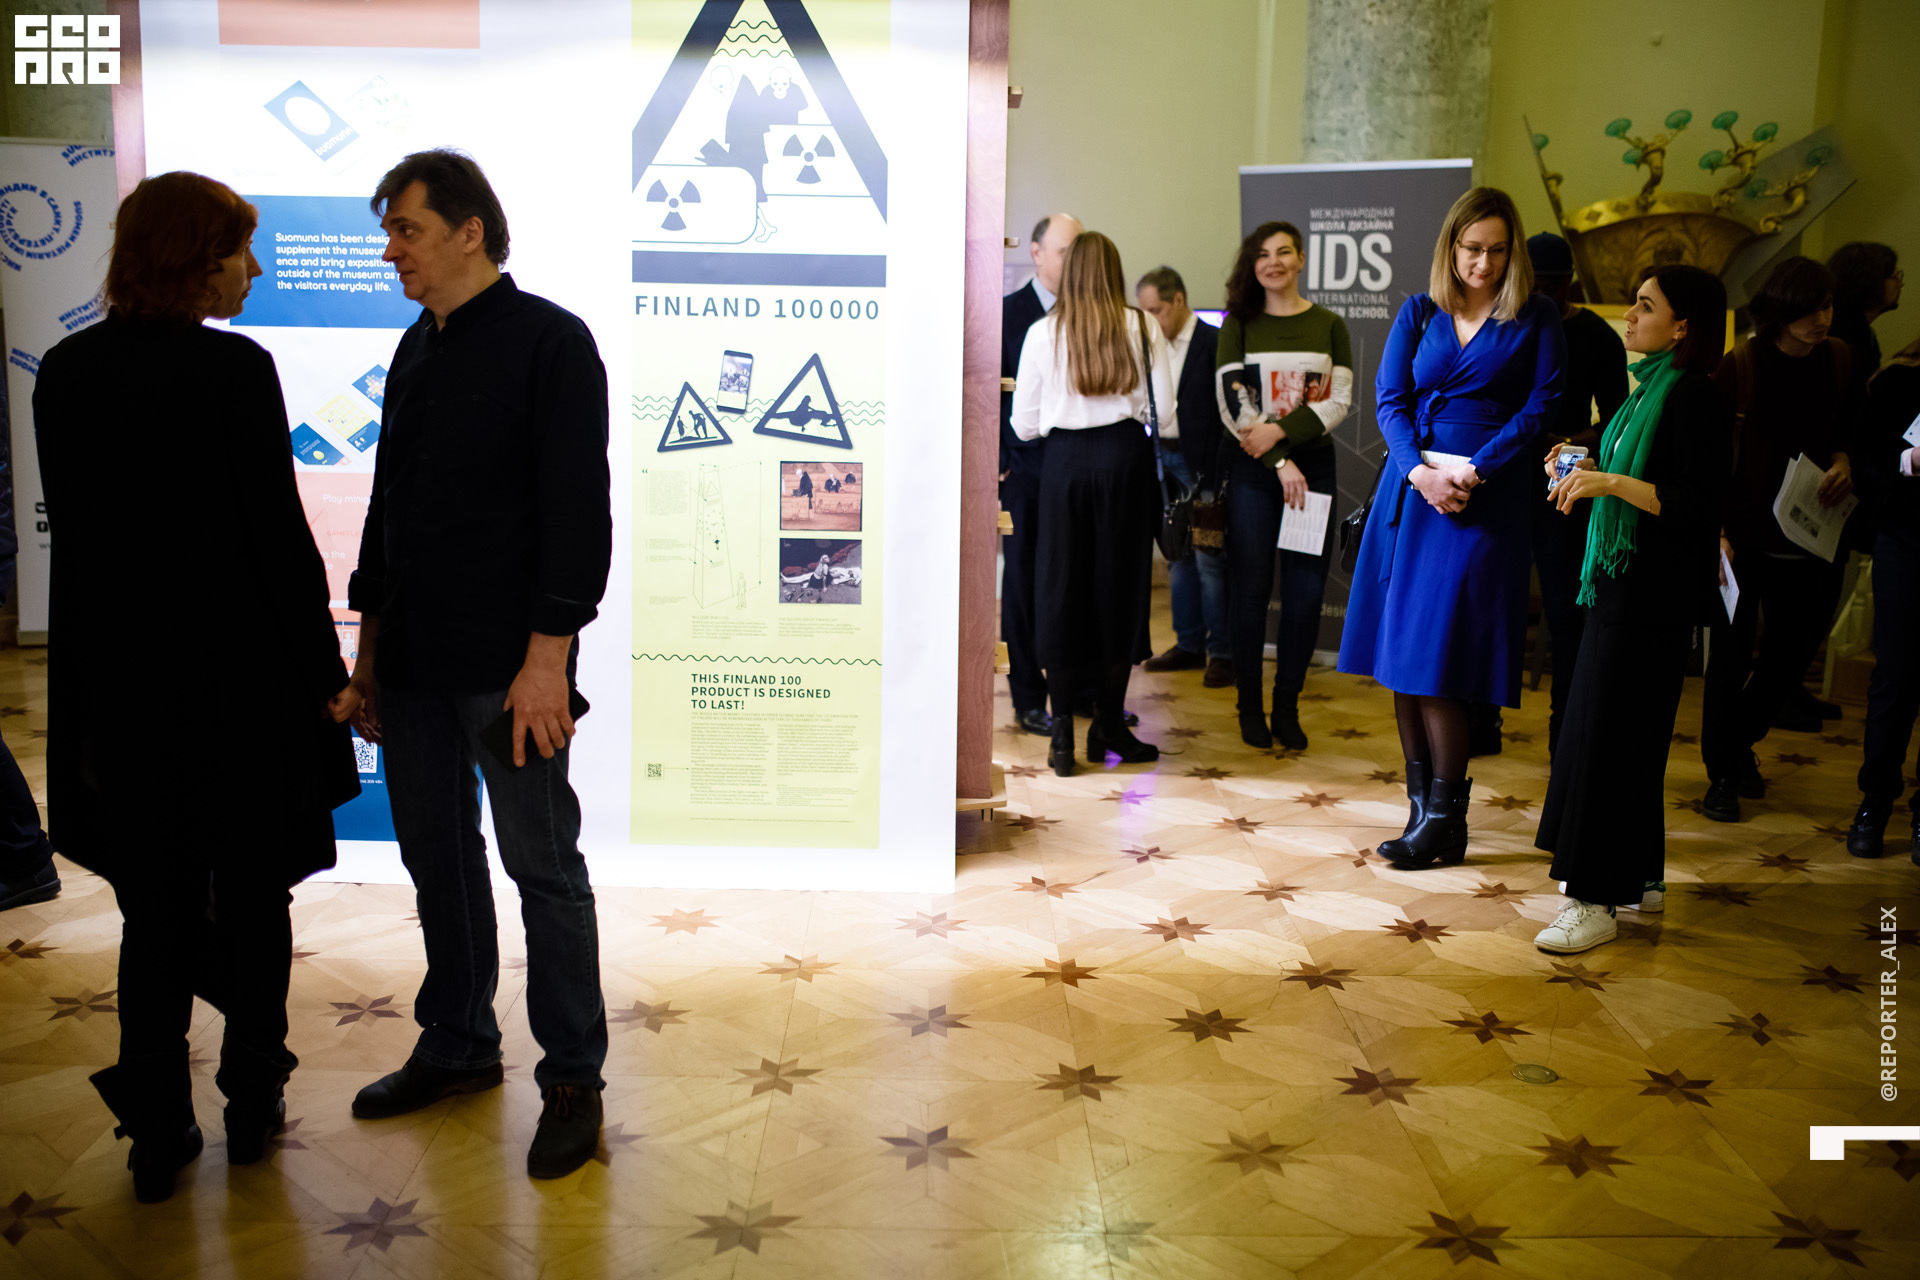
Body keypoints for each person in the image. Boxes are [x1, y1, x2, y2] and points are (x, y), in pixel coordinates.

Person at [33, 171, 361, 1201]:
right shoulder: (235, 370)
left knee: (156, 912)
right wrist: (330, 676)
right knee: (254, 901)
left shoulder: (66, 372)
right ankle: (252, 1103)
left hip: (128, 697)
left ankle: (156, 1130)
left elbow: (81, 550)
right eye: (238, 250)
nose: (252, 269)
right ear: (193, 258)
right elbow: (277, 541)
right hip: (242, 691)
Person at [342, 150, 612, 1180]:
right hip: (412, 660)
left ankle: (573, 1077)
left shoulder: (552, 341)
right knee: (437, 857)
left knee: (542, 865)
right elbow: (388, 510)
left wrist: (548, 661)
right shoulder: (416, 346)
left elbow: (577, 519)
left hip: (509, 670)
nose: (391, 251)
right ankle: (457, 1041)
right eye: (388, 232)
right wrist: (369, 655)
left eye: (406, 230)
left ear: (469, 231)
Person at [1337, 186, 1565, 869]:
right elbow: (1389, 399)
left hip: (1483, 500)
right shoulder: (1418, 309)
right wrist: (1419, 473)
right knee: (1403, 660)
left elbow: (1542, 405)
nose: (1484, 263)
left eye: (1497, 250)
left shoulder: (1537, 314)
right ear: (1451, 247)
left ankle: (1445, 815)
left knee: (1439, 660)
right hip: (1412, 495)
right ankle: (1423, 814)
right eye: (1472, 249)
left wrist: (1474, 471)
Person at [1533, 265, 1732, 953]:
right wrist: (1576, 456)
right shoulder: (1648, 389)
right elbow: (1614, 448)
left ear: (1682, 327)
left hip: (1654, 599)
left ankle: (1594, 900)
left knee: (1611, 744)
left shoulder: (1697, 395)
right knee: (1620, 738)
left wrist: (1610, 482)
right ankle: (1642, 874)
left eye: (1645, 306)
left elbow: (1697, 504)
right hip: (1620, 589)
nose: (1630, 315)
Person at [1698, 256, 1861, 822]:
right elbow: (1709, 456)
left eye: (1828, 306)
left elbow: (1849, 430)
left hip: (1811, 535)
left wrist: (1843, 459)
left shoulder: (1838, 358)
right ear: (1780, 309)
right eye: (1809, 309)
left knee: (1790, 659)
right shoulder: (1741, 364)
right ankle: (1722, 775)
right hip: (1742, 537)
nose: (1822, 319)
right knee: (1729, 662)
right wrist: (1717, 531)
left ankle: (1737, 744)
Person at [1011, 231, 1172, 776]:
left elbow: (1023, 425)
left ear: (1072, 272)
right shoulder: (1143, 326)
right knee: (1119, 593)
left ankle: (1061, 734)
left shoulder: (1043, 332)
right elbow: (1166, 412)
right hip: (1125, 463)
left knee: (1061, 589)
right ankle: (1107, 724)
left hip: (1063, 467)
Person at [1215, 223, 1353, 748]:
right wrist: (1277, 459)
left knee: (1304, 593)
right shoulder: (1238, 324)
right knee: (1250, 591)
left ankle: (1287, 708)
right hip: (1256, 471)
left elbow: (1338, 401)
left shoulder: (1329, 325)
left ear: (1300, 260)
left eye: (1283, 252)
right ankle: (1250, 707)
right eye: (1262, 254)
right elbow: (1232, 403)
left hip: (1313, 471)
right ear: (1252, 265)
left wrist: (1279, 434)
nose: (1273, 262)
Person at [1522, 233, 1629, 758]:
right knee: (1493, 602)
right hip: (1505, 471)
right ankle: (1481, 719)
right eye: (1534, 285)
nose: (1542, 294)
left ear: (1570, 284)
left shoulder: (1596, 336)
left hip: (1563, 476)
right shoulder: (1508, 325)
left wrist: (1569, 440)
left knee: (1565, 609)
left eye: (1552, 285)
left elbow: (1615, 419)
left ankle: (1563, 730)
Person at [1001, 213, 1082, 735]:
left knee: (1080, 582)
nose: (1074, 260)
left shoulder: (1090, 314)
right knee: (1024, 584)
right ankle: (1029, 697)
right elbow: (985, 391)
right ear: (1035, 252)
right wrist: (999, 461)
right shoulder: (1006, 314)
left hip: (1080, 471)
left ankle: (1083, 692)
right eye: (1065, 250)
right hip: (1025, 472)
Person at [1137, 266, 1229, 686]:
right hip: (1163, 462)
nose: (1150, 320)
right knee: (1177, 558)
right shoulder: (1147, 346)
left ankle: (1222, 653)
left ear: (1178, 300)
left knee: (1211, 560)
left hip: (1205, 467)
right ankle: (1188, 644)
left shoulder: (1215, 342)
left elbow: (1226, 412)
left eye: (1155, 310)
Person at [1846, 337, 1920, 861]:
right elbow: (1866, 462)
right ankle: (1874, 801)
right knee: (1895, 675)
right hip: (1906, 539)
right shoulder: (1898, 383)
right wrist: (1911, 460)